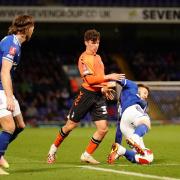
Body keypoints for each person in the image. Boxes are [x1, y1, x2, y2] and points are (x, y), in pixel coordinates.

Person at [47, 29, 125, 164]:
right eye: (93, 42)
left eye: (98, 42)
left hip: (98, 96)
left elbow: (99, 80)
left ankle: (86, 154)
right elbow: (90, 80)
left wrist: (104, 88)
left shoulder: (98, 58)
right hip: (86, 95)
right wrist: (109, 77)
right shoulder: (83, 59)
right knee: (70, 126)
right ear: (86, 42)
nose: (96, 45)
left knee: (103, 129)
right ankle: (52, 150)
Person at [0, 15, 34, 175]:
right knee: (9, 126)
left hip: (6, 89)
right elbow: (4, 72)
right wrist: (8, 97)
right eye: (32, 27)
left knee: (20, 126)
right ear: (26, 28)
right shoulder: (11, 44)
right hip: (1, 90)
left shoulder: (16, 44)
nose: (34, 30)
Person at [107, 79, 152, 164]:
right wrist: (111, 79)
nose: (146, 96)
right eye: (145, 93)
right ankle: (134, 138)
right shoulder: (133, 86)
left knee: (146, 158)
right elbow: (121, 80)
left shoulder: (122, 104)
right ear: (138, 89)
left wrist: (117, 144)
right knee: (146, 121)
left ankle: (121, 150)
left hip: (124, 124)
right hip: (132, 111)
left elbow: (119, 128)